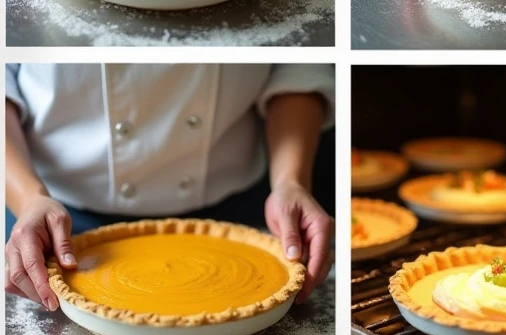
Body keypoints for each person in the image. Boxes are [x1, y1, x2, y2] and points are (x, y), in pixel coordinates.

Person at [5, 63, 335, 310]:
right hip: (57, 228)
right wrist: (28, 199)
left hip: (240, 226)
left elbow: (296, 70)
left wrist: (290, 182)